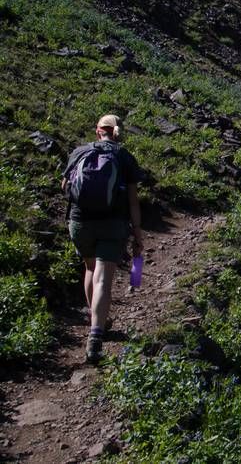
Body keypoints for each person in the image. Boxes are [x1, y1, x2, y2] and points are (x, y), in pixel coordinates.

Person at [62, 114, 144, 364]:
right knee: (103, 279)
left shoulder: (79, 152)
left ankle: (95, 318)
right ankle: (95, 338)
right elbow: (133, 201)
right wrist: (137, 234)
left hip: (80, 222)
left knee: (90, 268)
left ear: (99, 131)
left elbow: (65, 185)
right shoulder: (124, 157)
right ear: (118, 132)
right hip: (112, 224)